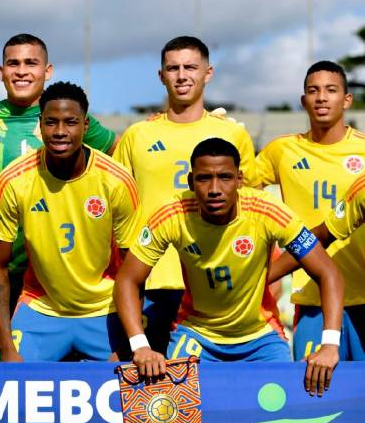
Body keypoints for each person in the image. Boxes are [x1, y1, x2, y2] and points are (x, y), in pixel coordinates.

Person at [114, 138, 343, 396]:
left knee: (283, 408)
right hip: (197, 335)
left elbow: (328, 271)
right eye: (204, 178)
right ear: (190, 182)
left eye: (224, 177)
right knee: (178, 414)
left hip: (261, 338)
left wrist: (330, 345)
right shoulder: (172, 213)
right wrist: (140, 346)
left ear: (239, 180)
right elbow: (127, 279)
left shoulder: (267, 211)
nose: (214, 189)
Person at [0, 33, 118, 360]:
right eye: (14, 63)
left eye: (31, 63)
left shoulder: (68, 118)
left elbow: (123, 155)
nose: (21, 71)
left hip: (56, 266)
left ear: (47, 70)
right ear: (1, 71)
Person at [113, 36, 258, 354]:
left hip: (214, 282)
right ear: (161, 75)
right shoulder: (137, 136)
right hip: (151, 281)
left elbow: (251, 213)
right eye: (173, 68)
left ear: (208, 73)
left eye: (190, 67)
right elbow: (117, 211)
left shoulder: (233, 135)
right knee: (152, 388)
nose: (181, 75)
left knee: (210, 390)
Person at [0, 82, 139, 361]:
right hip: (41, 309)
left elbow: (133, 271)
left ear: (85, 124)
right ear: (39, 124)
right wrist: (6, 346)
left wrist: (130, 341)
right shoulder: (14, 179)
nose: (59, 132)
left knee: (119, 394)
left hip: (104, 310)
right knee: (15, 390)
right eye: (51, 122)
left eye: (70, 123)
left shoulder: (116, 180)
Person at [257, 60, 365, 360]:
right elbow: (231, 185)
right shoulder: (281, 151)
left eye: (330, 90)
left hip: (363, 293)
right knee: (313, 393)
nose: (321, 98)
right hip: (311, 296)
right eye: (313, 91)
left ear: (346, 99)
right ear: (303, 100)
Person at [269, 172, 365, 360]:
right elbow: (320, 237)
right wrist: (259, 279)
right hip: (321, 306)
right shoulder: (362, 190)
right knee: (311, 381)